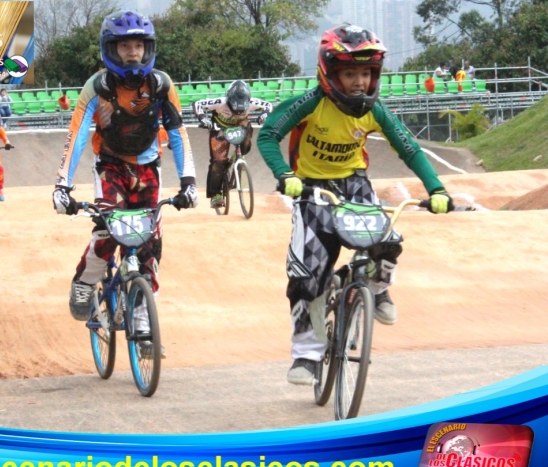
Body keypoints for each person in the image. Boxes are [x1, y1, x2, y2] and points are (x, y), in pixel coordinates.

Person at [257, 23, 454, 386]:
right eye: (350, 73)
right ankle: (307, 355)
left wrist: (437, 189)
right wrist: (285, 175)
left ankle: (377, 289)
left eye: (366, 72)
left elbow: (408, 148)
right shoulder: (311, 103)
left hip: (355, 185)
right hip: (312, 189)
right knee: (306, 273)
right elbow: (268, 134)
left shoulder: (374, 110)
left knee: (388, 240)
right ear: (330, 73)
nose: (360, 81)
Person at [52, 10, 198, 332]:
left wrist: (189, 181)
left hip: (148, 168)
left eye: (138, 45)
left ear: (148, 48)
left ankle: (144, 315)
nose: (133, 52)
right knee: (107, 231)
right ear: (110, 49)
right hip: (110, 166)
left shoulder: (161, 85)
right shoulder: (97, 87)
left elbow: (178, 133)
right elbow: (75, 137)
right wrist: (62, 185)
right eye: (124, 45)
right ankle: (86, 280)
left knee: (149, 243)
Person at [192, 80, 272, 208]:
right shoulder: (220, 102)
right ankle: (216, 195)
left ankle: (238, 156)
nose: (238, 113)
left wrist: (264, 114)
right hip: (220, 129)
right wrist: (203, 119)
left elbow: (268, 105)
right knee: (218, 162)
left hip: (240, 127)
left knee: (246, 140)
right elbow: (197, 104)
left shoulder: (252, 102)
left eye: (242, 110)